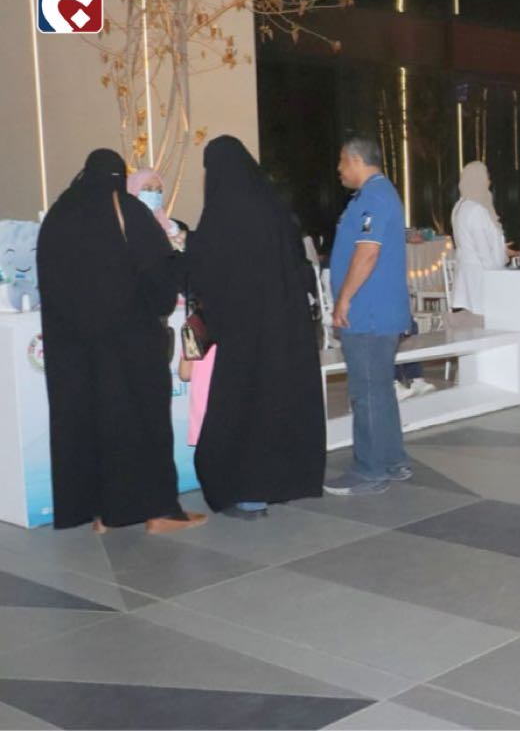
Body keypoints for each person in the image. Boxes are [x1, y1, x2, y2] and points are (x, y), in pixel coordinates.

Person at [37, 149, 206, 533]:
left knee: (92, 428)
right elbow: (159, 281)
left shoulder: (59, 215)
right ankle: (160, 513)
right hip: (130, 348)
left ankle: (103, 514)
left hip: (73, 355)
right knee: (142, 427)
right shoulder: (127, 211)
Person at [186, 136, 326, 518]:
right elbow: (298, 261)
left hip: (244, 331)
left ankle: (247, 492)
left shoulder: (222, 212)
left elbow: (205, 268)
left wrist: (186, 245)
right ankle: (281, 484)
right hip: (284, 326)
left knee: (242, 406)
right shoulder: (272, 205)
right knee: (278, 401)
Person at [324, 135, 414, 496]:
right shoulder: (376, 194)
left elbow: (367, 253)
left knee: (366, 393)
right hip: (376, 311)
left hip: (368, 312)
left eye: (341, 161)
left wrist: (344, 300)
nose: (338, 169)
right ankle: (392, 460)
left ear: (357, 159)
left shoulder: (374, 197)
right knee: (379, 389)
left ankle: (370, 471)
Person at [451, 161, 513, 314]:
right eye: (486, 178)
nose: (489, 182)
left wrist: (502, 249)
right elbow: (483, 251)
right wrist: (496, 280)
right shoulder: (476, 210)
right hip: (481, 278)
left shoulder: (460, 206)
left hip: (467, 277)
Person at [127, 169, 187, 251]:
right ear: (133, 189)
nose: (154, 194)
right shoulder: (122, 226)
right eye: (148, 189)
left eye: (159, 191)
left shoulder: (170, 226)